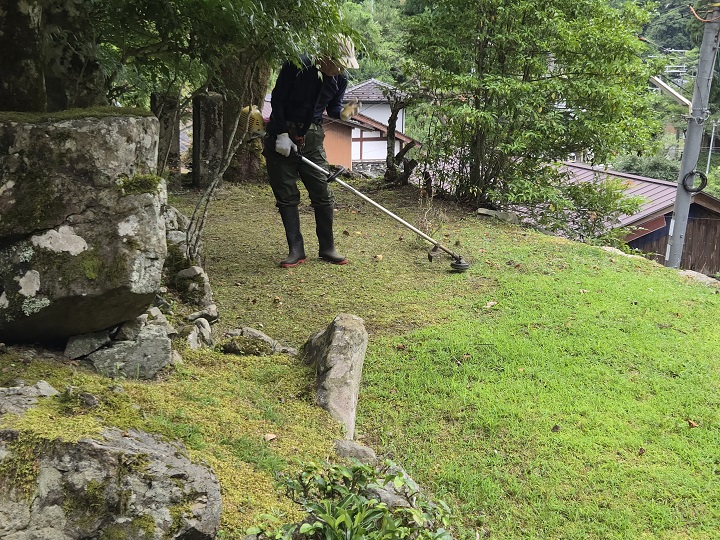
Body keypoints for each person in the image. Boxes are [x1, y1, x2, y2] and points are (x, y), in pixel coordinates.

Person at [264, 37, 361, 268]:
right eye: (338, 63)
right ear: (325, 56)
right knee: (286, 194)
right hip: (282, 133)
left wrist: (344, 114)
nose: (340, 69)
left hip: (313, 138)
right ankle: (296, 250)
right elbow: (277, 99)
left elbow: (333, 108)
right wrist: (281, 133)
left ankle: (327, 248)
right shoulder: (297, 65)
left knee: (322, 192)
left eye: (344, 65)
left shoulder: (340, 78)